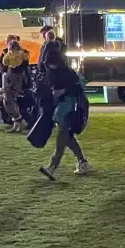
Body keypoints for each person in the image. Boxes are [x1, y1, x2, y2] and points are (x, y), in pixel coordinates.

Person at [38, 49, 91, 180]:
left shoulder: (67, 73)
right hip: (61, 107)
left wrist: (63, 91)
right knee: (66, 137)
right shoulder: (53, 72)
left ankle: (53, 166)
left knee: (62, 136)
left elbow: (76, 88)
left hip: (68, 106)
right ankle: (82, 161)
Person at [0, 39, 30, 132]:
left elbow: (4, 62)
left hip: (12, 78)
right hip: (16, 78)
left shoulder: (12, 54)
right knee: (10, 100)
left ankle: (20, 120)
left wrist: (7, 54)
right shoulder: (23, 54)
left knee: (9, 100)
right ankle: (17, 123)